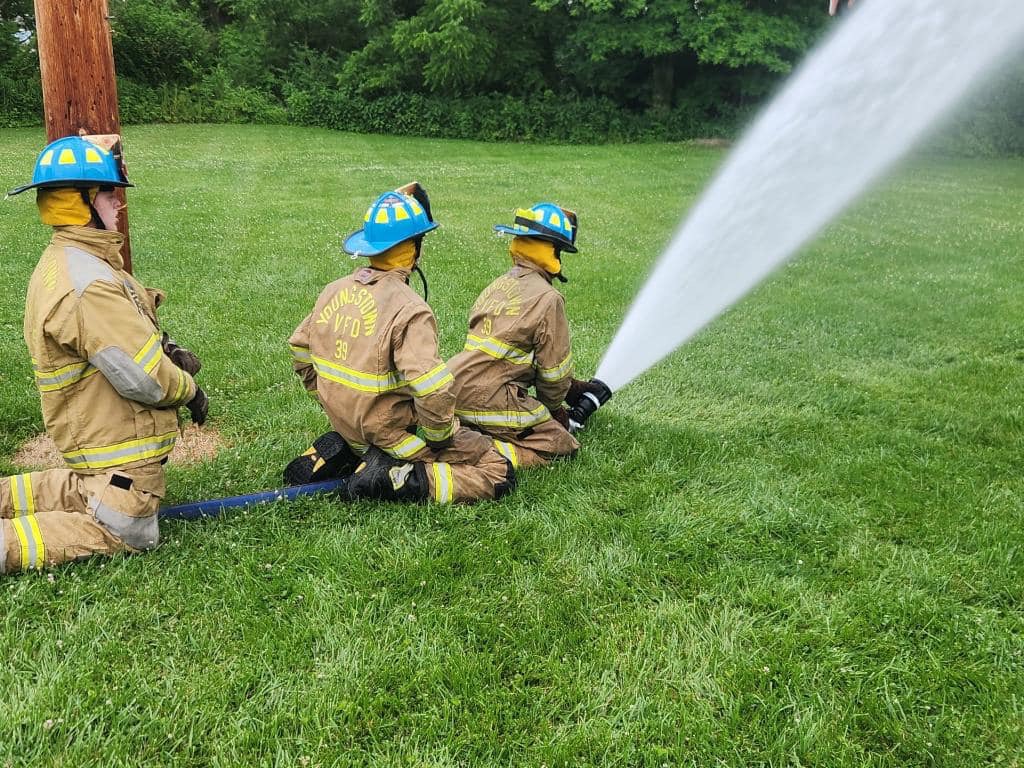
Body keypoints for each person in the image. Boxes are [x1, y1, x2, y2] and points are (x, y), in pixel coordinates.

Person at [1, 135, 208, 574]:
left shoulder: (75, 261)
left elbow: (119, 334)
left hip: (94, 446)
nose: (120, 203)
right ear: (83, 202)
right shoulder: (89, 283)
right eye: (110, 192)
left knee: (88, 489)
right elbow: (144, 379)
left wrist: (166, 347)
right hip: (116, 451)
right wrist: (189, 390)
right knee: (128, 529)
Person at [285, 184, 515, 503]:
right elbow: (431, 390)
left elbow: (298, 348)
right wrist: (439, 439)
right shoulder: (409, 309)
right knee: (498, 470)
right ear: (414, 248)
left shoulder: (333, 290)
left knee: (365, 433)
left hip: (345, 421)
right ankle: (402, 479)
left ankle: (350, 452)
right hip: (391, 435)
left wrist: (327, 395)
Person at [447, 202, 604, 469]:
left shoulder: (499, 284)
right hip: (489, 397)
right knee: (561, 444)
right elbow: (553, 374)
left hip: (453, 390)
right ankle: (474, 448)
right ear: (551, 250)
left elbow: (506, 350)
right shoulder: (548, 298)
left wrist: (573, 388)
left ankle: (470, 430)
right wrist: (555, 413)